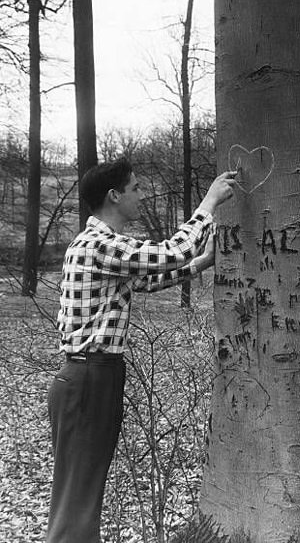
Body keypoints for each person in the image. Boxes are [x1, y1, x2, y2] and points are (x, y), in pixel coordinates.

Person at [46, 157, 236, 543]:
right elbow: (169, 253)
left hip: (92, 376)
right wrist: (208, 204)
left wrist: (200, 263)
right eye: (135, 188)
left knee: (82, 496)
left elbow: (145, 280)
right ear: (114, 196)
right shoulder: (99, 245)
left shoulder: (98, 247)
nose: (141, 195)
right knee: (77, 502)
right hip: (88, 378)